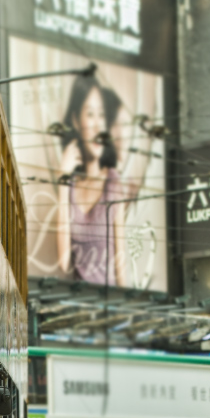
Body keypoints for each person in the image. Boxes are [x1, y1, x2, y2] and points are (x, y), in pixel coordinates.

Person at [56, 74, 155, 287]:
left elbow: (121, 259)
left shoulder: (113, 181)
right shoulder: (70, 187)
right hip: (81, 307)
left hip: (110, 307)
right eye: (90, 114)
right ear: (75, 120)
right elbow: (64, 262)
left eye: (101, 115)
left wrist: (125, 307)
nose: (96, 125)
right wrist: (63, 182)